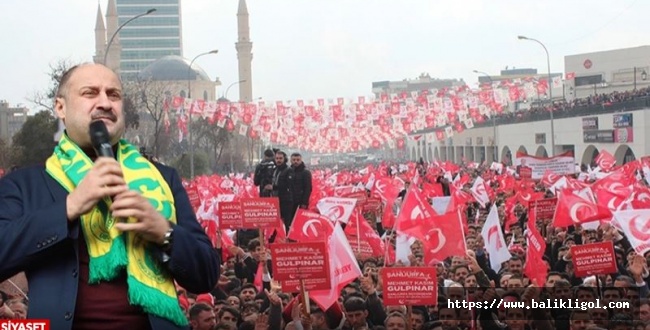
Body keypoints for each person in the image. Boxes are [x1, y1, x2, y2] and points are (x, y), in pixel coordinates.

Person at [0, 63, 219, 330]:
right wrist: (70, 207)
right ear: (60, 107)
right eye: (90, 93)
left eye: (113, 95)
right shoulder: (25, 185)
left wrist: (164, 231)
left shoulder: (162, 179)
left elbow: (207, 273)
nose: (105, 102)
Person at [272, 150, 294, 230]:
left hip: (285, 200)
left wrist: (274, 187)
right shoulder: (275, 170)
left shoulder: (289, 170)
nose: (278, 160)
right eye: (277, 158)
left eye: (280, 158)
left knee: (286, 221)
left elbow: (288, 184)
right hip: (275, 199)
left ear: (284, 159)